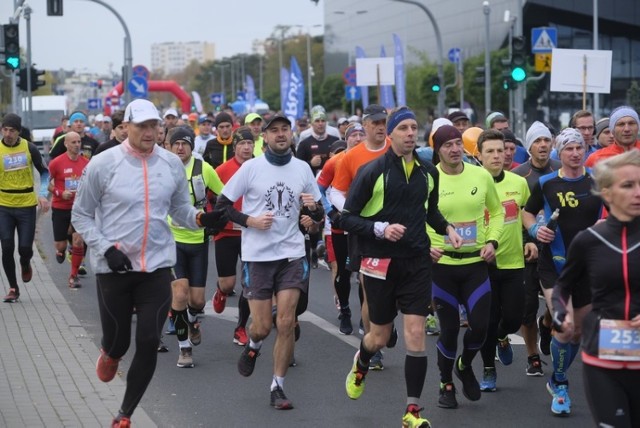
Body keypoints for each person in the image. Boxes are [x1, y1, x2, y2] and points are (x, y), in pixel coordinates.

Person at [71, 99, 225, 427]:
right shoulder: (103, 163)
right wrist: (103, 247)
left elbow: (180, 210)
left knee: (148, 340)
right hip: (114, 268)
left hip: (156, 266)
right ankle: (110, 353)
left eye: (154, 126)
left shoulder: (170, 164)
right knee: (119, 341)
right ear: (126, 127)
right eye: (142, 126)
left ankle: (124, 414)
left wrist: (201, 218)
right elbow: (81, 215)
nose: (149, 132)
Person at [341, 106, 463, 427]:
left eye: (414, 128)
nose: (411, 133)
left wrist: (447, 228)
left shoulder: (428, 172)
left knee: (415, 332)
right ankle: (363, 361)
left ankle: (412, 411)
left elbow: (430, 212)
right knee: (379, 337)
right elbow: (347, 217)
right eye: (404, 128)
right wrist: (381, 228)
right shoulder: (372, 171)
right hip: (380, 262)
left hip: (417, 261)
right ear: (391, 135)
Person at [212, 114, 323, 410]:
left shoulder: (302, 169)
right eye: (274, 130)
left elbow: (319, 212)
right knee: (261, 326)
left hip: (291, 254)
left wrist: (312, 217)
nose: (280, 134)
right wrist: (249, 220)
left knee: (285, 322)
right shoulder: (251, 169)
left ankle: (278, 387)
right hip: (258, 257)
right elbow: (221, 207)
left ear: (291, 133)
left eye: (285, 129)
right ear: (266, 136)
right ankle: (254, 345)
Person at [552, 149, 640, 427]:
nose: (638, 192)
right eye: (628, 185)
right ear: (606, 193)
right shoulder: (589, 240)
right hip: (602, 358)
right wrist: (559, 315)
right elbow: (563, 285)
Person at [522, 128, 605, 416]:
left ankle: (556, 373)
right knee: (566, 326)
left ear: (585, 150)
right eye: (568, 148)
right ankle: (560, 385)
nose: (574, 153)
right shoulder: (546, 183)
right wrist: (535, 229)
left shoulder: (598, 183)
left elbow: (616, 215)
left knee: (579, 332)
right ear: (560, 151)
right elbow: (527, 212)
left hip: (588, 267)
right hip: (554, 265)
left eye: (579, 147)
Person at [427, 124, 503, 409]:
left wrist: (493, 242)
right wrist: (427, 245)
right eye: (448, 145)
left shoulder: (480, 175)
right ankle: (446, 384)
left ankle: (464, 364)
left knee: (481, 328)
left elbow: (496, 212)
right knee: (448, 331)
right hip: (442, 266)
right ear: (438, 149)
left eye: (458, 143)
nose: (455, 149)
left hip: (475, 264)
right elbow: (415, 217)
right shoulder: (428, 179)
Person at [330, 104, 394, 369]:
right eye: (376, 122)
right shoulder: (350, 157)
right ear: (364, 126)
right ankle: (373, 344)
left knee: (397, 291)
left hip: (401, 229)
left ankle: (387, 322)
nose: (381, 127)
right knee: (370, 292)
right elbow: (334, 191)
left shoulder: (399, 147)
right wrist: (350, 213)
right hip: (366, 233)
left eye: (384, 122)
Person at [475, 129, 532, 391]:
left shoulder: (518, 183)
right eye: (491, 151)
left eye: (502, 150)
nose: (498, 156)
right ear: (479, 155)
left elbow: (528, 216)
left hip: (513, 262)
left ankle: (502, 337)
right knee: (486, 320)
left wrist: (530, 239)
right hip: (480, 265)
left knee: (512, 318)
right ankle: (488, 369)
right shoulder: (470, 184)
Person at [167, 126, 224, 368]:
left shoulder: (204, 169)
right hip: (172, 241)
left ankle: (192, 322)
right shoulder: (163, 168)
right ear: (169, 146)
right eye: (176, 143)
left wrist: (217, 221)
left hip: (198, 240)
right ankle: (184, 348)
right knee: (180, 295)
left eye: (185, 143)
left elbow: (224, 196)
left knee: (197, 301)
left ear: (192, 146)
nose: (180, 148)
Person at [512, 121, 560, 374]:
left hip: (558, 250)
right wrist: (525, 241)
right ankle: (532, 356)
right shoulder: (519, 174)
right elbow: (513, 214)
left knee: (558, 305)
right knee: (527, 308)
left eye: (546, 140)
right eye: (537, 141)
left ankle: (547, 323)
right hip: (528, 250)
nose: (542, 145)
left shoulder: (563, 169)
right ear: (529, 146)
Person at [211, 126, 255, 347]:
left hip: (252, 232)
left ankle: (240, 327)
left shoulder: (261, 166)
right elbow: (211, 197)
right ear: (235, 146)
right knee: (228, 284)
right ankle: (220, 291)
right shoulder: (222, 170)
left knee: (249, 284)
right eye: (241, 144)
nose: (246, 148)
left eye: (249, 143)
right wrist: (213, 221)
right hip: (227, 231)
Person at [0, 113, 50, 303]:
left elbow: (44, 172)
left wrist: (43, 194)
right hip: (3, 205)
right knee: (6, 246)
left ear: (19, 131)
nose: (8, 133)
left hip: (26, 205)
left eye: (12, 130)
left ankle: (25, 262)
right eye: (5, 129)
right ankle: (13, 287)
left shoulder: (28, 148)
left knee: (24, 248)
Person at [47, 131, 89, 288]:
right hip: (60, 207)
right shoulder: (56, 163)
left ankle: (73, 276)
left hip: (79, 209)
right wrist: (59, 192)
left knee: (78, 240)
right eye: (74, 142)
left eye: (79, 142)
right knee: (60, 245)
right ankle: (62, 248)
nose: (77, 145)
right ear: (66, 144)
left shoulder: (86, 163)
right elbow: (46, 182)